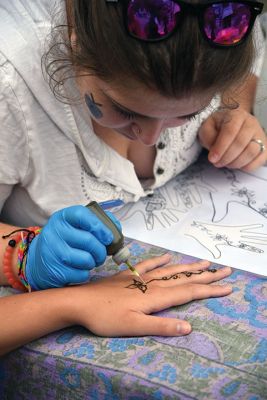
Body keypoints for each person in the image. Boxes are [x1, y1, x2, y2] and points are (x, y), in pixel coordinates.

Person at [0, 0, 265, 354]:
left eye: (187, 113)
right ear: (75, 42)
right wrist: (26, 256)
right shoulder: (8, 85)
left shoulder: (221, 32)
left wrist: (234, 112)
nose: (151, 138)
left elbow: (248, 60)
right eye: (125, 110)